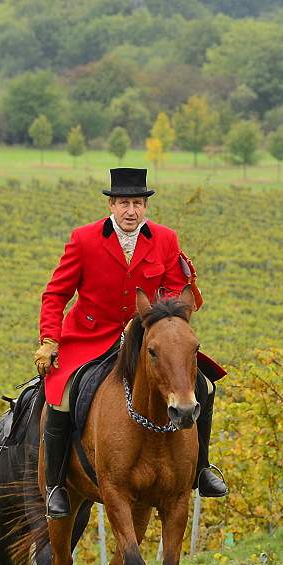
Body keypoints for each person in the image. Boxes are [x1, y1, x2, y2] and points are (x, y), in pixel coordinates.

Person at [34, 166, 227, 518]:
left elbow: (172, 292)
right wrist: (50, 338)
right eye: (124, 203)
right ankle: (57, 485)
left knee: (204, 386)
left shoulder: (166, 239)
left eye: (137, 203)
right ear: (111, 206)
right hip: (90, 337)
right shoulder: (83, 239)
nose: (131, 211)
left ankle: (201, 469)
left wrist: (162, 322)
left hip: (144, 338)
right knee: (60, 397)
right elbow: (56, 294)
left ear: (145, 207)